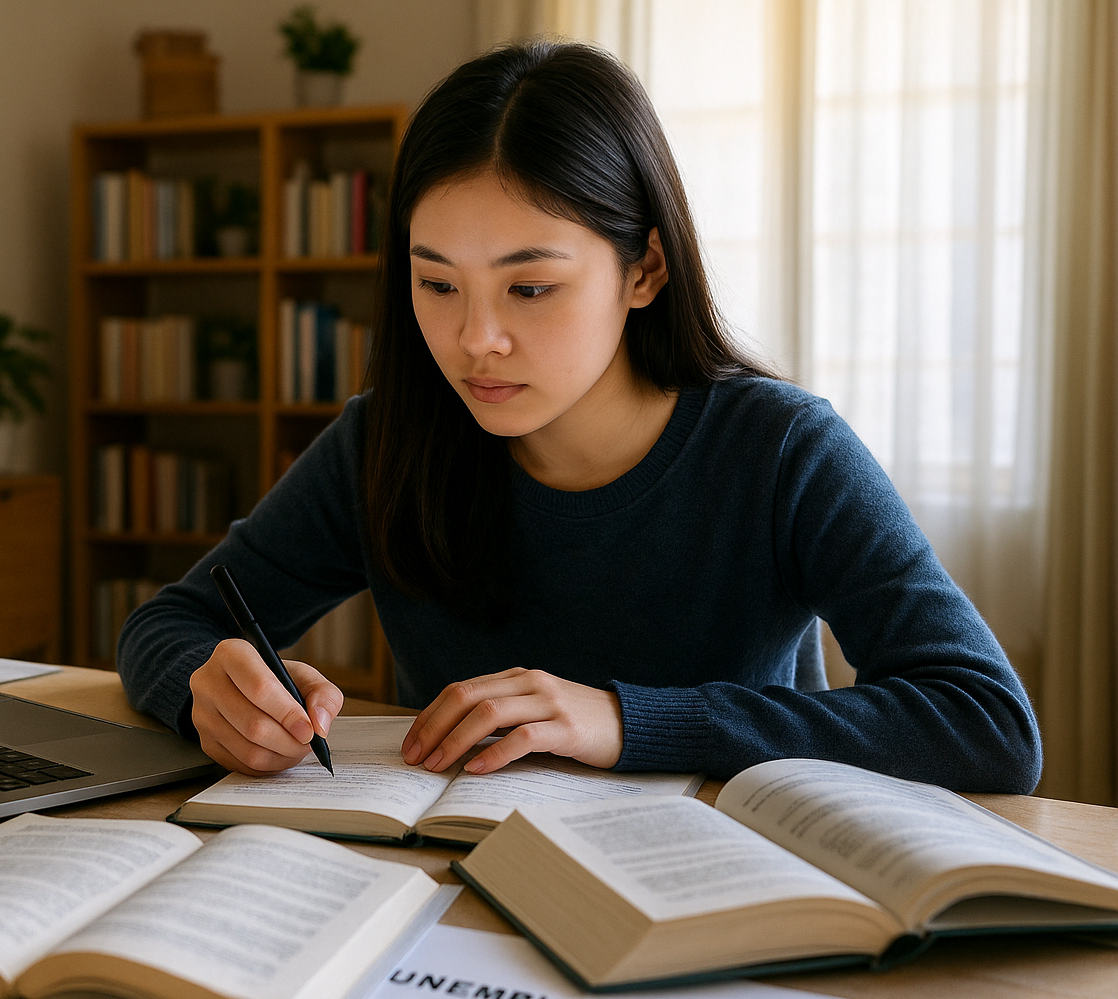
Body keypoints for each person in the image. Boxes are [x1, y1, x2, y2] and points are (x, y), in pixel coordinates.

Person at [118, 41, 1041, 794]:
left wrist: (625, 718)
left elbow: (986, 723)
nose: (477, 338)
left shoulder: (783, 451)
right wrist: (206, 688)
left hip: (719, 890)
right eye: (436, 282)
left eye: (529, 286)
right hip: (444, 894)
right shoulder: (388, 440)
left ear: (644, 269)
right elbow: (173, 623)